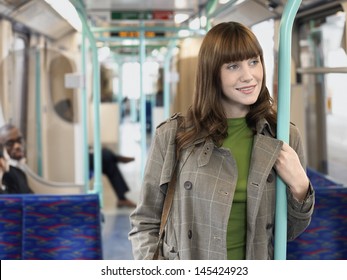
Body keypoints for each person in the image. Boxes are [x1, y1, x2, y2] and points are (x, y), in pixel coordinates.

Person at [129, 22, 315, 260]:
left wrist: (300, 185)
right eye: (233, 66)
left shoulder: (282, 137)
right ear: (212, 72)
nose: (248, 76)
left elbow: (289, 232)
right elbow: (145, 221)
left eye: (254, 62)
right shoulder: (173, 136)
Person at [0, 124, 34, 194]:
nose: (17, 146)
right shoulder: (5, 174)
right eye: (9, 143)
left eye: (19, 141)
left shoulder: (20, 174)